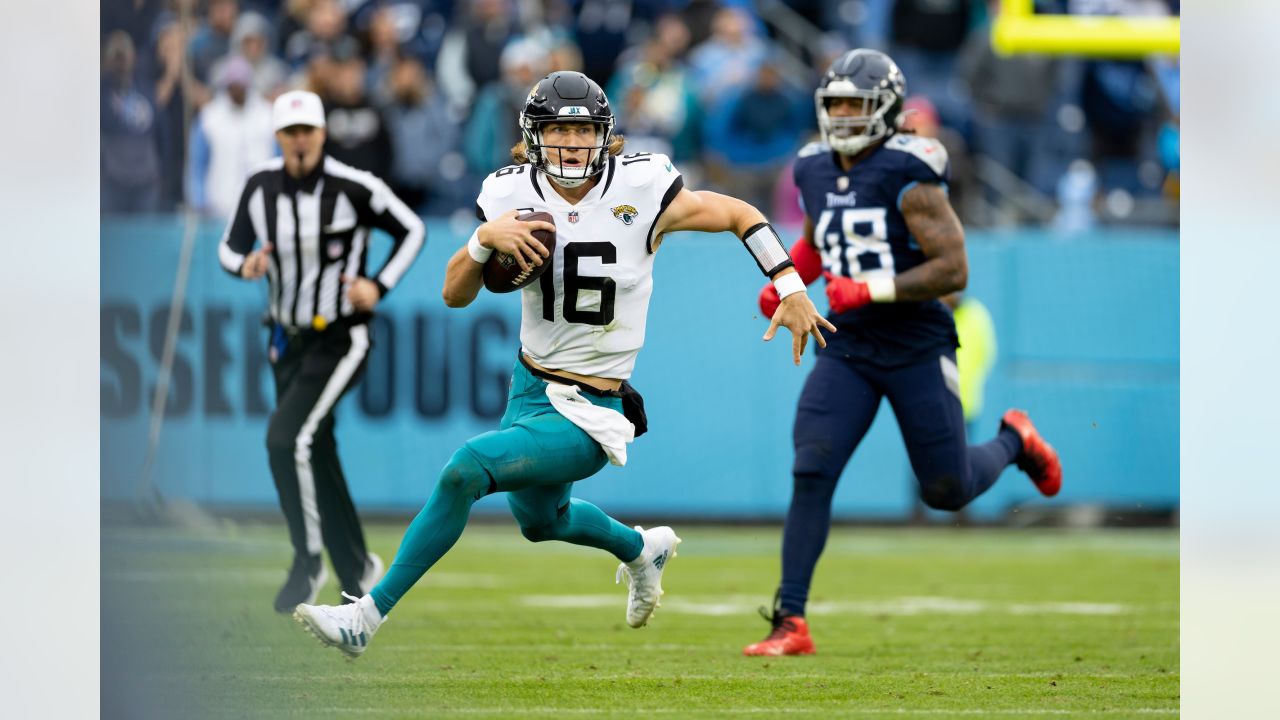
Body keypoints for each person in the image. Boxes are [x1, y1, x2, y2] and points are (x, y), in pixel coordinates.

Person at [293, 70, 834, 657]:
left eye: (582, 130)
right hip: (529, 387)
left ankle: (365, 618)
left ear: (604, 135)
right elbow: (454, 294)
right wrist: (482, 241)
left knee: (464, 469)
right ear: (533, 137)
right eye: (558, 131)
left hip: (591, 405)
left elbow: (738, 214)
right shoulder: (507, 194)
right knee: (541, 521)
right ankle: (639, 548)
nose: (572, 144)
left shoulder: (644, 186)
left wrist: (790, 284)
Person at [744, 49, 1063, 657]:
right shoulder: (813, 166)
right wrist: (788, 281)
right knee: (811, 466)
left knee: (947, 488)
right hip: (850, 343)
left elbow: (954, 269)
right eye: (833, 103)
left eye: (853, 105)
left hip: (917, 339)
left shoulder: (909, 170)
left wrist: (871, 288)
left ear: (885, 109)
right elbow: (820, 235)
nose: (841, 115)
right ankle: (791, 620)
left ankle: (1016, 440)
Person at [218, 90, 426, 613]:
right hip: (286, 338)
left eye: (308, 130)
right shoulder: (261, 186)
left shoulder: (354, 187)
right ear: (278, 137)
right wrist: (242, 266)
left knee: (286, 439)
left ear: (323, 133)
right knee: (318, 448)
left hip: (341, 334)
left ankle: (307, 561)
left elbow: (412, 229)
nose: (300, 140)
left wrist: (378, 285)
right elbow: (229, 245)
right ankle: (357, 567)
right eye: (290, 132)